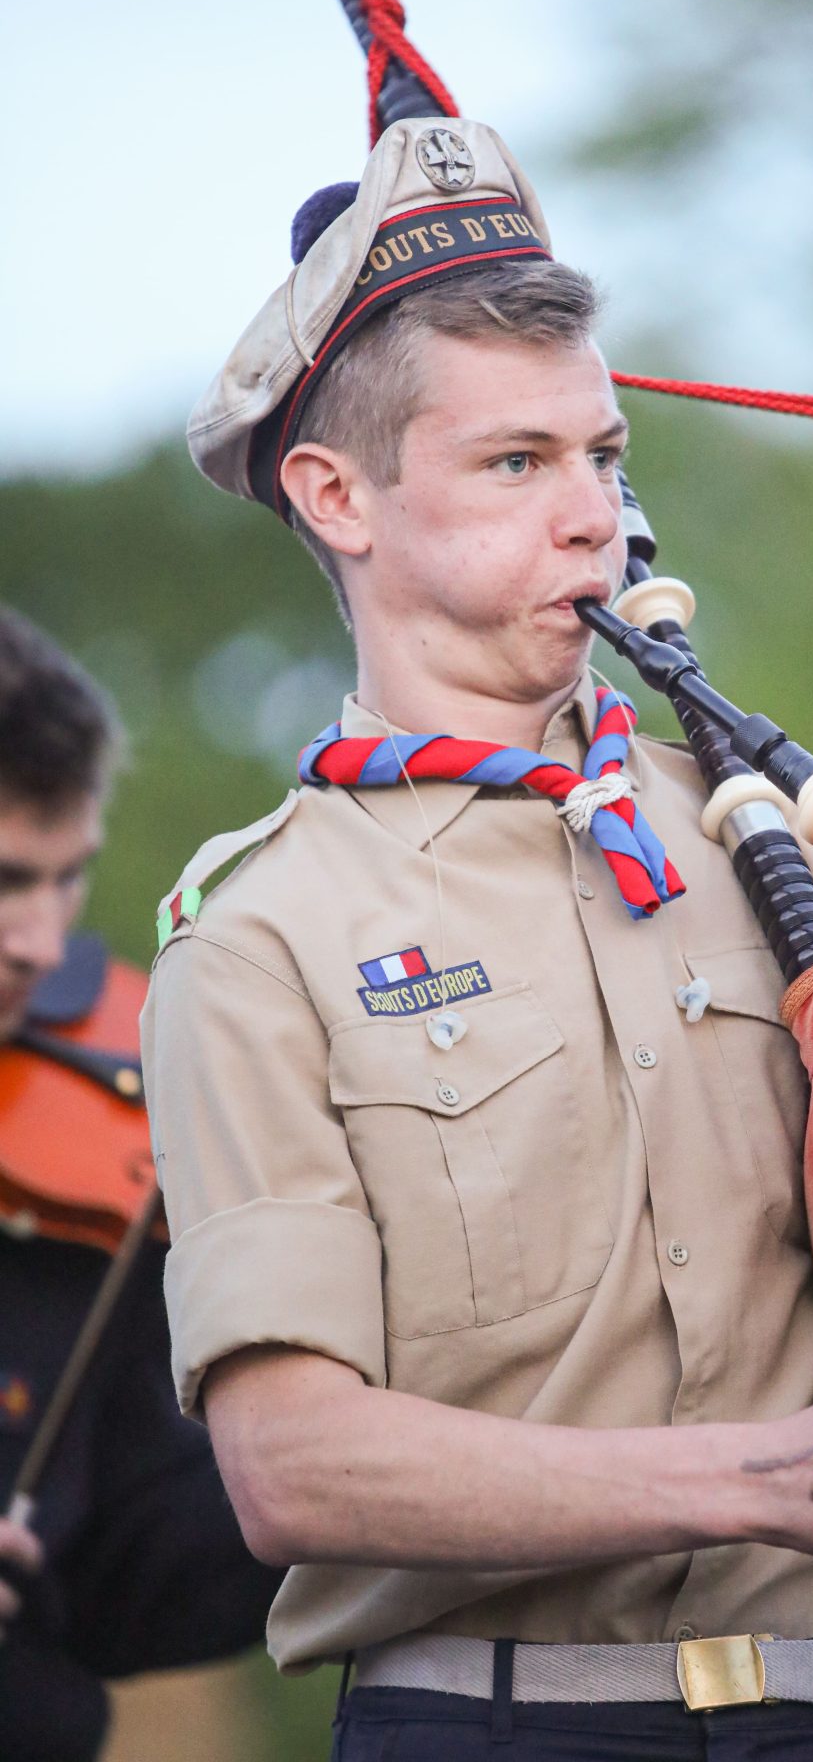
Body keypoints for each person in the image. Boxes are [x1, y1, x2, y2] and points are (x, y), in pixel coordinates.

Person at [142, 116, 813, 1760]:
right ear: (337, 494)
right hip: (497, 1728)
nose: (592, 514)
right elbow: (293, 1463)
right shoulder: (261, 937)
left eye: (607, 453)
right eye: (516, 462)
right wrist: (785, 1471)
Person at [0, 608, 281, 1762]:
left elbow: (127, 1573)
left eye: (69, 881)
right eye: (7, 881)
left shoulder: (82, 1169)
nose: (41, 940)